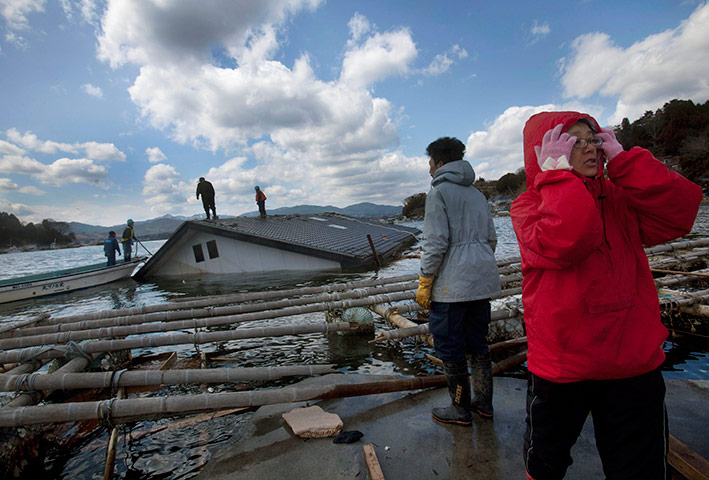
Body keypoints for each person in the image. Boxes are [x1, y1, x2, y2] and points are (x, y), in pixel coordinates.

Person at [511, 111, 702, 479]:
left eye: (593, 139)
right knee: (546, 462)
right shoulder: (528, 206)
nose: (589, 149)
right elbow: (569, 239)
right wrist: (555, 176)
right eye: (573, 141)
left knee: (640, 468)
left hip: (631, 360)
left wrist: (626, 163)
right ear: (544, 151)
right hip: (563, 364)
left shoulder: (620, 198)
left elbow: (680, 215)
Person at [415, 136, 501, 427]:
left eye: (430, 163)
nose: (428, 170)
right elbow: (491, 239)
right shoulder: (477, 194)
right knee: (478, 344)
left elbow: (435, 242)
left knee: (450, 348)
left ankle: (459, 407)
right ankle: (484, 404)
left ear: (439, 163)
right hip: (482, 283)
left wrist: (426, 279)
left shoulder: (438, 193)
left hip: (452, 289)